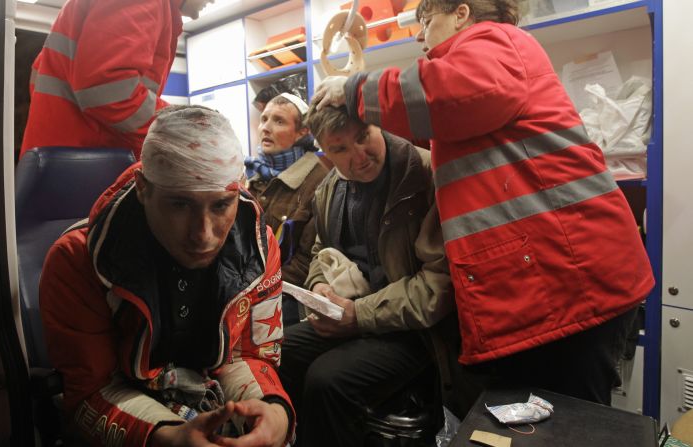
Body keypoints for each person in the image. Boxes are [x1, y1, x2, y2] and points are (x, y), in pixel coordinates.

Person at [313, 0, 655, 407]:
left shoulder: (495, 42)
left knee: (568, 425)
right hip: (558, 282)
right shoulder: (476, 87)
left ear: (462, 14)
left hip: (573, 280)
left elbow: (449, 92)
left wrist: (354, 90)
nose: (419, 36)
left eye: (425, 21)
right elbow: (448, 119)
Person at [39, 105, 293, 446]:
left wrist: (274, 412)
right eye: (179, 205)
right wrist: (168, 438)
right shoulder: (77, 260)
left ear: (240, 191)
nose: (203, 235)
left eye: (220, 206)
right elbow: (89, 392)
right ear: (143, 188)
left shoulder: (259, 250)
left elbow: (247, 355)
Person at [277, 102, 455, 446]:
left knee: (327, 381)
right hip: (351, 314)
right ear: (324, 151)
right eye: (340, 148)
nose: (359, 156)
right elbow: (320, 252)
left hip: (416, 332)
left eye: (363, 137)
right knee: (277, 351)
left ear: (378, 125)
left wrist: (358, 315)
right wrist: (319, 287)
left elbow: (439, 285)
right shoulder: (328, 188)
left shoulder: (426, 174)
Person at [20, 0, 213, 160]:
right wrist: (184, 128)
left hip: (61, 158)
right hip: (84, 163)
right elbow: (109, 91)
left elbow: (40, 75)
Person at [245, 93, 329, 319]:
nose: (265, 128)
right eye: (264, 119)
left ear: (303, 132)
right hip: (245, 286)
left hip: (284, 297)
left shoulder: (319, 181)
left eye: (279, 121)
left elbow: (306, 261)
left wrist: (256, 292)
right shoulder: (253, 173)